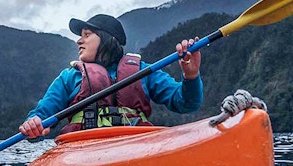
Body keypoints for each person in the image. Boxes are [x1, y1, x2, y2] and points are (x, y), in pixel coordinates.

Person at [19, 13, 203, 139]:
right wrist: (33, 124)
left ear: (107, 39)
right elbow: (41, 115)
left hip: (135, 146)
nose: (79, 40)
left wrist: (191, 75)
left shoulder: (144, 71)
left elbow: (186, 103)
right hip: (81, 149)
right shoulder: (70, 77)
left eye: (87, 34)